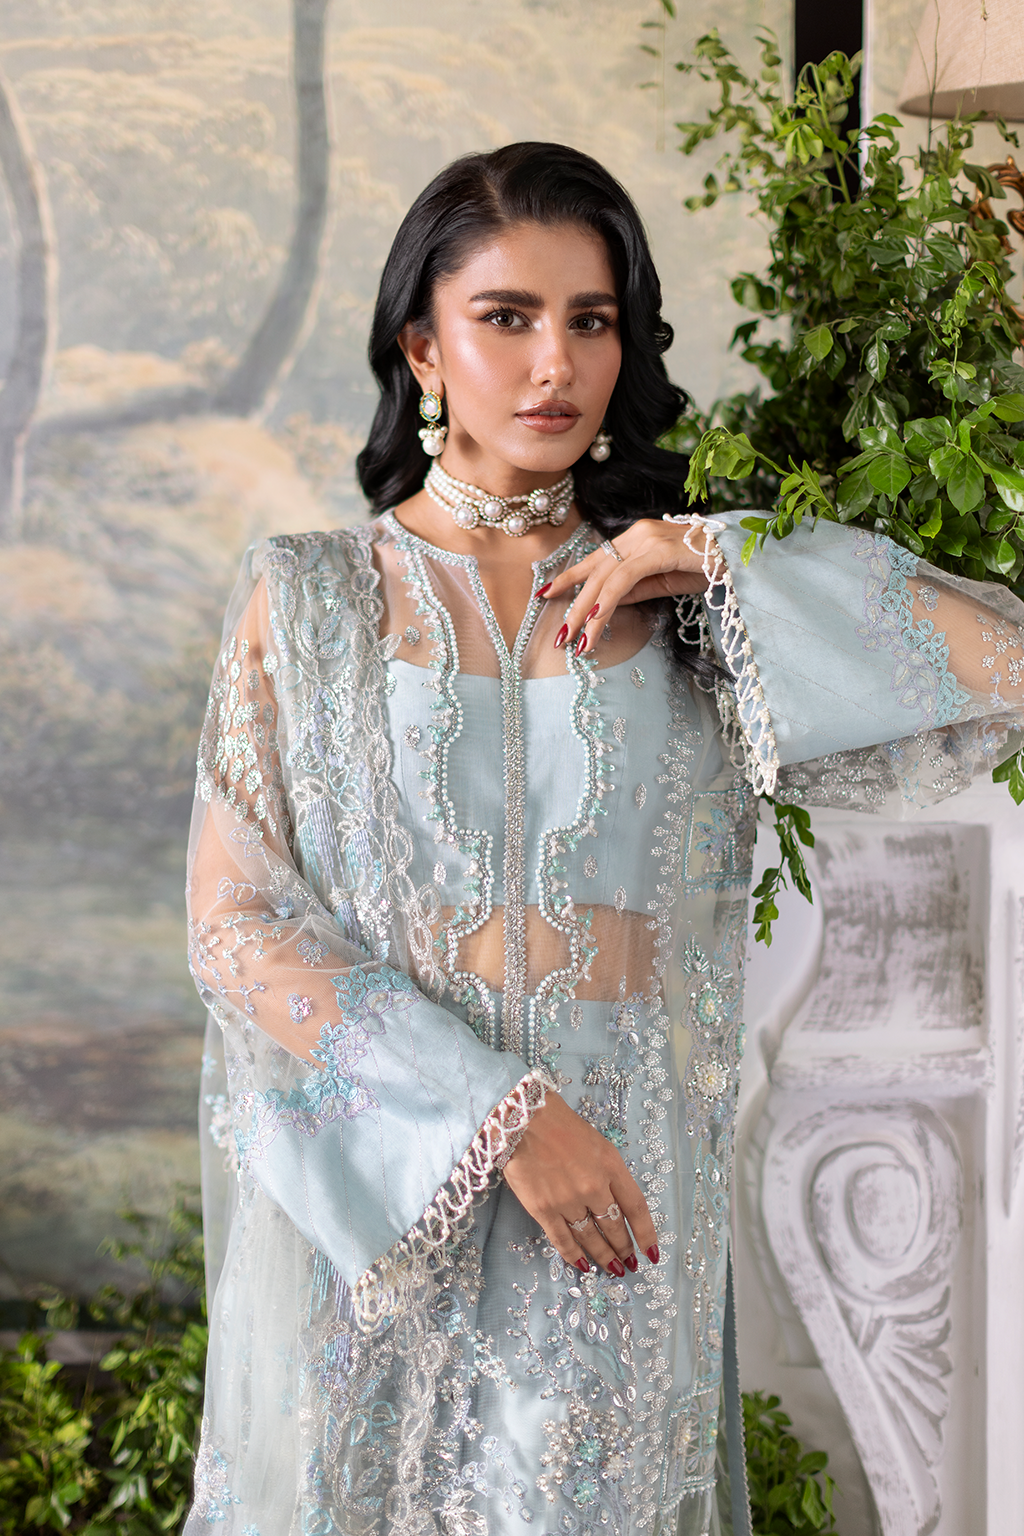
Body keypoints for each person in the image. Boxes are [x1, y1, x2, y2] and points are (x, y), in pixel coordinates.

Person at [183, 142, 1024, 1536]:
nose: (554, 364)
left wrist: (726, 559)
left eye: (592, 320)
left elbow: (1005, 666)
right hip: (380, 1206)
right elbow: (234, 923)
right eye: (505, 318)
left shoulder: (693, 608)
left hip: (614, 1234)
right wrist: (499, 1117)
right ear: (423, 348)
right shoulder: (310, 599)